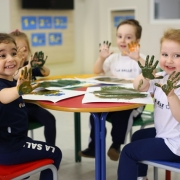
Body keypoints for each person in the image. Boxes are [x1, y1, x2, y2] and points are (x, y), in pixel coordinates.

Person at [78, 19, 146, 161]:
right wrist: (101, 58)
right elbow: (97, 71)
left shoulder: (140, 58)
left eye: (128, 37)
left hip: (132, 103)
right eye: (119, 36)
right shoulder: (113, 58)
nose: (123, 40)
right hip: (113, 98)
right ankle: (94, 147)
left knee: (122, 112)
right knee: (94, 112)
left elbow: (150, 72)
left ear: (137, 40)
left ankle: (116, 145)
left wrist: (138, 57)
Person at [118, 28, 180, 180]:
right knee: (138, 135)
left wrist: (171, 95)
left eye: (177, 55)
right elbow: (138, 86)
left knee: (127, 151)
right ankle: (141, 177)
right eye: (165, 54)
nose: (169, 60)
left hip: (175, 144)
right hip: (165, 135)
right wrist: (144, 76)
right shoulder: (162, 76)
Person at [0, 33, 62, 180]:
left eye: (13, 53)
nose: (10, 58)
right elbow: (3, 96)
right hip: (10, 148)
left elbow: (21, 74)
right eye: (2, 55)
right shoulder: (4, 87)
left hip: (16, 143)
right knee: (55, 153)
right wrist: (19, 89)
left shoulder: (11, 78)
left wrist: (28, 66)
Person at [10, 29, 56, 145]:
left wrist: (40, 65)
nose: (22, 53)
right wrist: (26, 64)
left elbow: (46, 73)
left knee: (50, 120)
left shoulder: (28, 65)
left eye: (24, 50)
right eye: (18, 50)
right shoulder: (10, 68)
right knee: (22, 127)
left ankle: (51, 147)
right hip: (16, 108)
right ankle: (23, 148)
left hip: (31, 106)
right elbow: (17, 75)